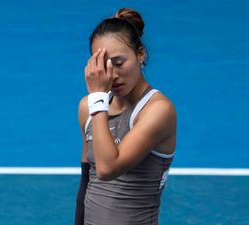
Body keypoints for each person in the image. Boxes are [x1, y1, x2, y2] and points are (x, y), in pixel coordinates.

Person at [75, 8, 177, 225]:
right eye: (104, 65)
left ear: (141, 54)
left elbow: (107, 168)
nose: (112, 75)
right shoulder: (88, 108)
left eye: (119, 63)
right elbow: (87, 180)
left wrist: (98, 99)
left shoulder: (158, 110)